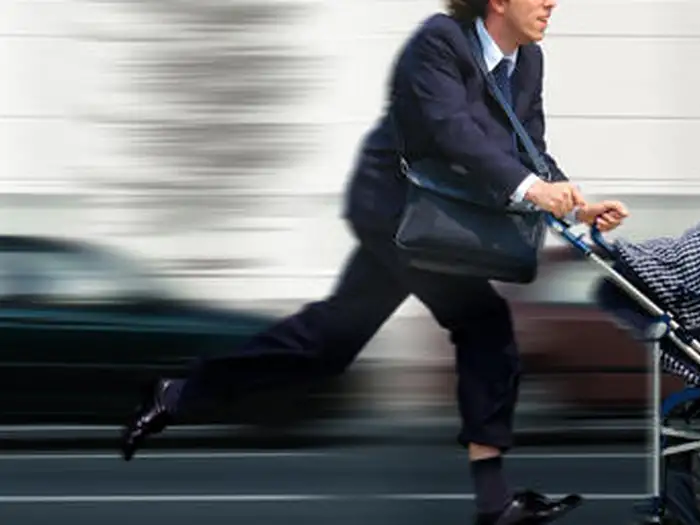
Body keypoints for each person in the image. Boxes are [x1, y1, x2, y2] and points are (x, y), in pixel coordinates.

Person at [119, 1, 628, 524]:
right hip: (394, 211)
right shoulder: (438, 43)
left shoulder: (527, 61)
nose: (552, 2)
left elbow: (529, 148)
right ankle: (494, 502)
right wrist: (532, 190)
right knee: (484, 326)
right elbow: (454, 131)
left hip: (436, 221)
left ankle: (178, 395)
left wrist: (576, 203)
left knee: (327, 345)